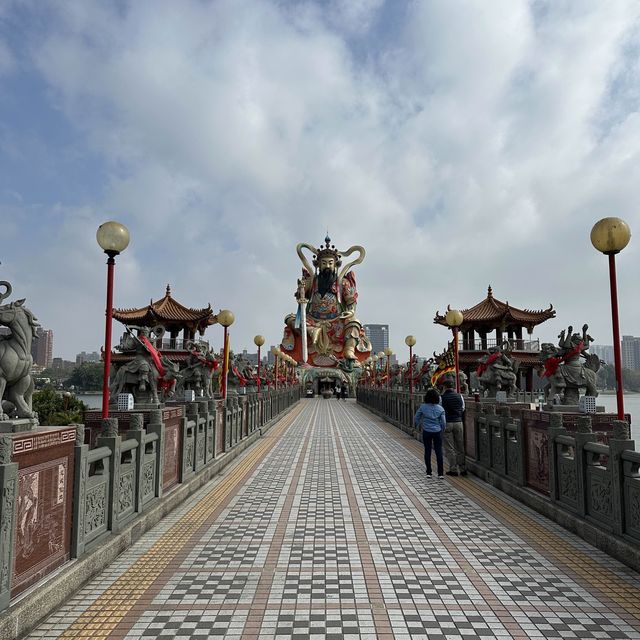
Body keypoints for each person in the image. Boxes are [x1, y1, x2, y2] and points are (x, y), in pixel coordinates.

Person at [413, 388, 446, 478]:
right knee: (438, 451)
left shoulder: (423, 407)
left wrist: (419, 425)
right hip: (437, 431)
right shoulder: (440, 408)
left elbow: (416, 418)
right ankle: (440, 473)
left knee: (427, 450)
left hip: (426, 431)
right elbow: (443, 422)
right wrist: (442, 429)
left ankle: (429, 472)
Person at [440, 379, 467, 476]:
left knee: (449, 447)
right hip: (459, 422)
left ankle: (453, 469)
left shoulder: (442, 397)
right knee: (460, 446)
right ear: (453, 387)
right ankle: (463, 469)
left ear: (444, 387)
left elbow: (440, 410)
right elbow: (463, 408)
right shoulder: (460, 396)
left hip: (447, 422)